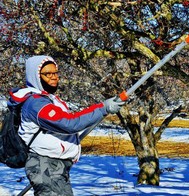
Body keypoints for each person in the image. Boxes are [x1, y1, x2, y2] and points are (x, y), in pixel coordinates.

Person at [7, 55, 125, 196]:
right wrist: (103, 108)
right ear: (35, 76)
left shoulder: (49, 99)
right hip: (46, 166)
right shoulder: (36, 103)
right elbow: (69, 123)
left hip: (55, 166)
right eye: (47, 74)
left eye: (55, 72)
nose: (54, 77)